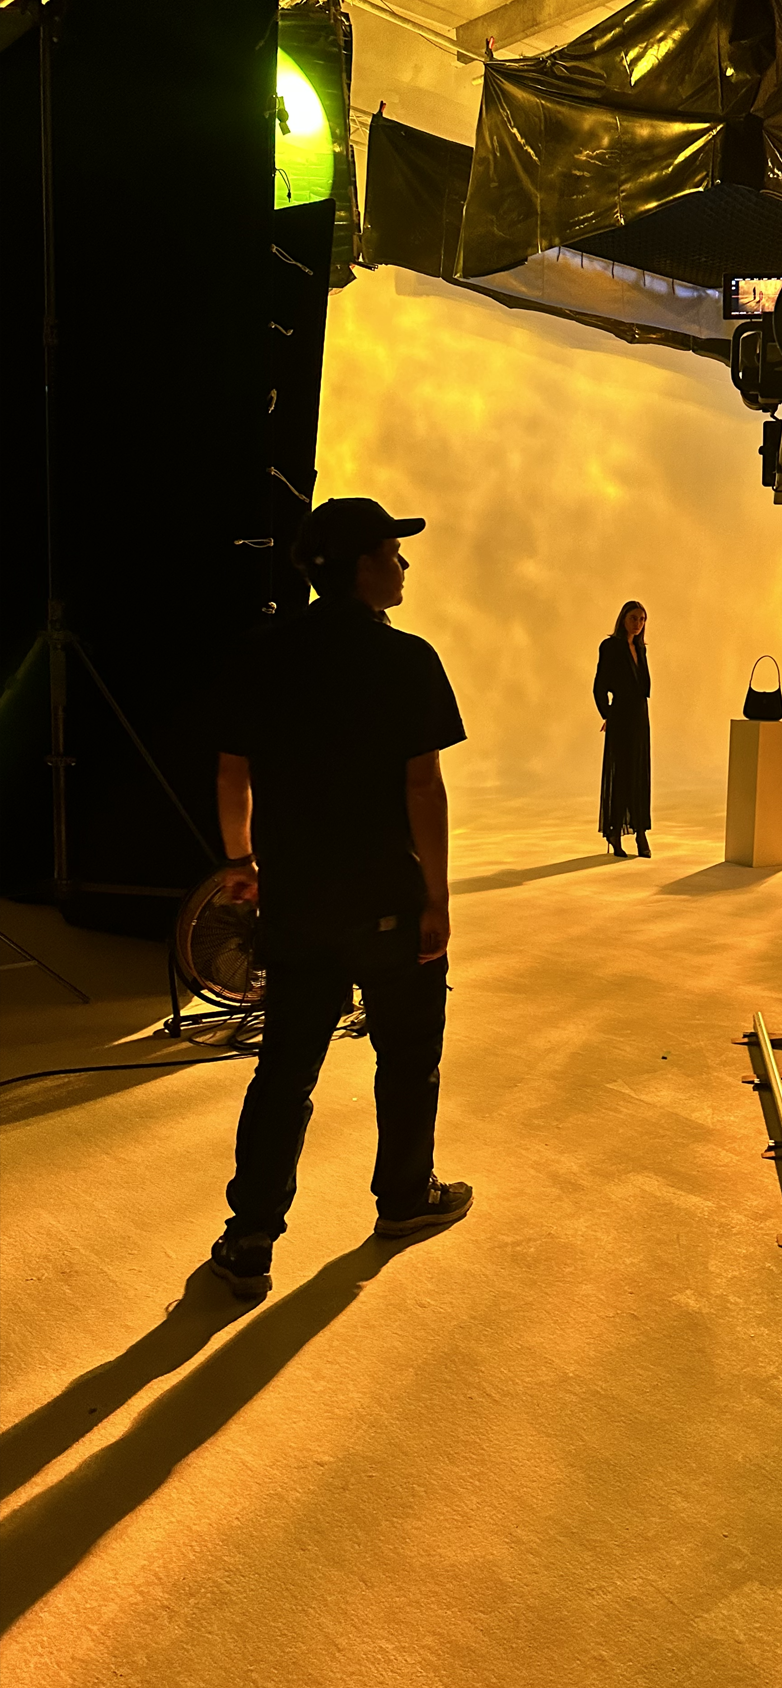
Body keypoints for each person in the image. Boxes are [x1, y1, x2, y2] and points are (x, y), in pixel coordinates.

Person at [209, 498, 472, 1299]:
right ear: (363, 565)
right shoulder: (408, 660)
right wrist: (437, 897)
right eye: (394, 553)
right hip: (389, 903)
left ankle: (250, 1235)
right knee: (407, 1062)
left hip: (296, 904)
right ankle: (403, 1198)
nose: (403, 566)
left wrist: (241, 863)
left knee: (284, 1071)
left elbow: (232, 773)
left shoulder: (261, 653)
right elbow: (423, 789)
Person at [593, 600, 652, 858]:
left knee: (639, 774)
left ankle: (640, 832)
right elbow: (599, 686)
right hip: (622, 716)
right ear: (623, 619)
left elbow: (641, 687)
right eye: (633, 618)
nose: (637, 624)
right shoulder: (610, 646)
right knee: (621, 775)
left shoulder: (641, 648)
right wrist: (609, 715)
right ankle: (615, 831)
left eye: (641, 619)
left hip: (640, 718)